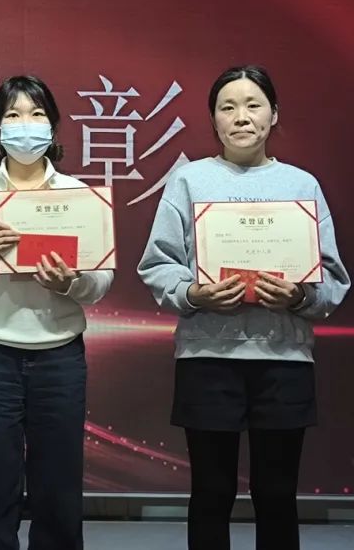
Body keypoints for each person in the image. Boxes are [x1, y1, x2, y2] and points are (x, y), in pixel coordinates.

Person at [138, 65, 349, 550]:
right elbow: (158, 263)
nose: (241, 117)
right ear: (213, 119)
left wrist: (300, 295)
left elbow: (332, 276)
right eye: (227, 107)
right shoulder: (188, 181)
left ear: (274, 114)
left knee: (277, 495)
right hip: (207, 358)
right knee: (211, 494)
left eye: (253, 105)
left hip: (284, 360)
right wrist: (193, 294)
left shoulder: (302, 186)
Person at [0, 75, 112, 550]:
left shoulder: (78, 195)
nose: (25, 125)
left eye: (36, 114)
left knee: (58, 490)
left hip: (59, 359)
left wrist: (69, 282)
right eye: (13, 115)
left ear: (53, 128)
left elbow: (101, 281)